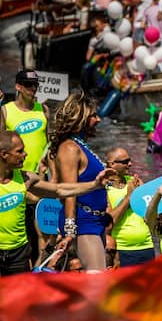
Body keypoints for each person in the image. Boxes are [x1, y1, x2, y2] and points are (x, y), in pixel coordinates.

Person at [50, 92, 113, 272]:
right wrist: (70, 231)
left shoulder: (81, 146)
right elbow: (69, 192)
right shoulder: (69, 148)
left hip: (96, 220)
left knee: (98, 280)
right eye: (93, 116)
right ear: (81, 119)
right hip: (83, 222)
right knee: (97, 279)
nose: (99, 119)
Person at [103, 147, 156, 267]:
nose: (130, 164)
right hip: (121, 249)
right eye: (125, 162)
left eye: (130, 160)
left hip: (146, 246)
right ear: (112, 164)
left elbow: (152, 211)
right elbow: (109, 223)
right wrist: (129, 197)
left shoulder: (135, 181)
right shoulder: (103, 187)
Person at [0, 71, 49, 174]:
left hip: (41, 172)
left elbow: (49, 141)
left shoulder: (44, 109)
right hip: (16, 172)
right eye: (28, 85)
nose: (33, 88)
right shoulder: (5, 110)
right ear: (18, 87)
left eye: (35, 85)